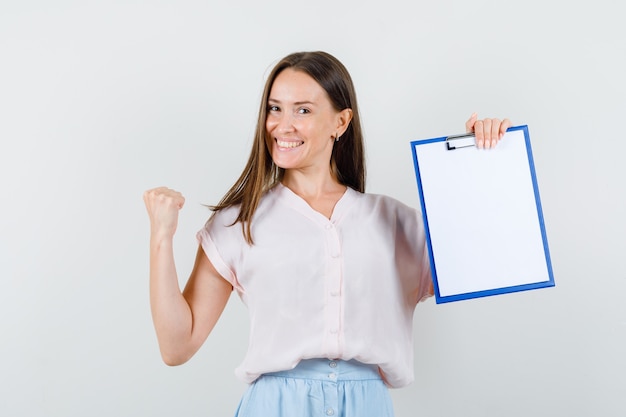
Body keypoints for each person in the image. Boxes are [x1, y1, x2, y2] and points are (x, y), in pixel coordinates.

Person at [143, 51, 511, 417]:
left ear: (341, 121)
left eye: (302, 110)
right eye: (274, 108)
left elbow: (484, 263)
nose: (282, 125)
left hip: (367, 406)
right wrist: (161, 236)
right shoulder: (239, 222)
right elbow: (177, 347)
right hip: (274, 407)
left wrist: (479, 162)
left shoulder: (395, 221)